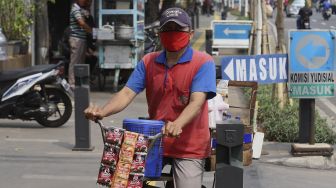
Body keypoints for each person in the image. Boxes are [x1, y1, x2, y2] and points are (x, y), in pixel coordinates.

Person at [84, 7, 216, 188]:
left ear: (190, 34)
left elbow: (196, 102)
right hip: (154, 141)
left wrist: (178, 124)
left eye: (178, 30)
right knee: (122, 180)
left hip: (189, 146)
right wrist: (102, 111)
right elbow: (126, 93)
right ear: (160, 34)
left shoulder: (203, 62)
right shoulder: (148, 61)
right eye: (167, 30)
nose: (173, 34)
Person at [68, 0, 92, 89]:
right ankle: (72, 83)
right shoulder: (75, 9)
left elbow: (88, 17)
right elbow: (81, 22)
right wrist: (90, 30)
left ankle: (79, 82)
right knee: (75, 61)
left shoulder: (81, 9)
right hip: (76, 39)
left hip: (82, 39)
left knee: (80, 62)